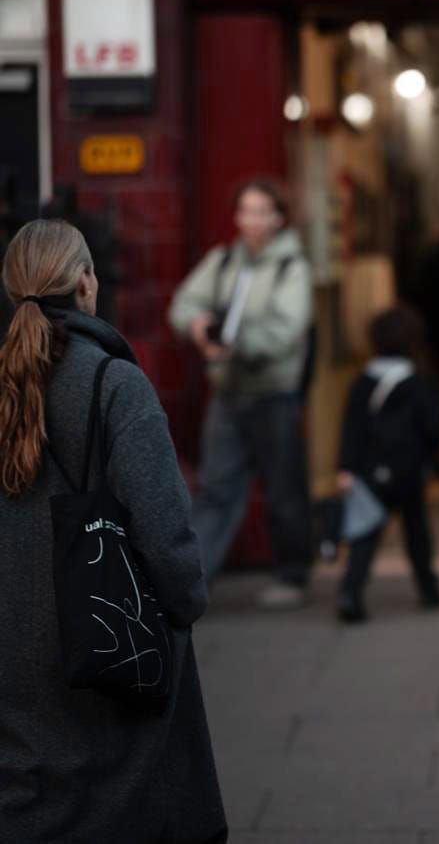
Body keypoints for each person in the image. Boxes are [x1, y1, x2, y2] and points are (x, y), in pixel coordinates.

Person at [0, 220, 226, 842]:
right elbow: (164, 528)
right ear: (85, 283)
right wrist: (186, 604)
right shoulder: (112, 383)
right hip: (101, 648)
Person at [168, 178, 314, 609]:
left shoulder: (293, 267)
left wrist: (234, 343)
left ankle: (293, 574)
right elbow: (183, 304)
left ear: (278, 217)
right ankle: (193, 582)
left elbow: (285, 332)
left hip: (274, 393)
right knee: (215, 488)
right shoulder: (224, 258)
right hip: (228, 393)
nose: (251, 220)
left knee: (283, 488)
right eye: (245, 211)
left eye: (261, 211)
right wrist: (197, 327)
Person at [335, 305, 439, 622]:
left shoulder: (362, 383)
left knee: (365, 533)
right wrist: (429, 458)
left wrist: (345, 468)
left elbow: (351, 428)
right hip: (409, 472)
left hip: (370, 472)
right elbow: (435, 428)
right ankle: (429, 590)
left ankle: (350, 592)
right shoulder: (419, 384)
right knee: (417, 532)